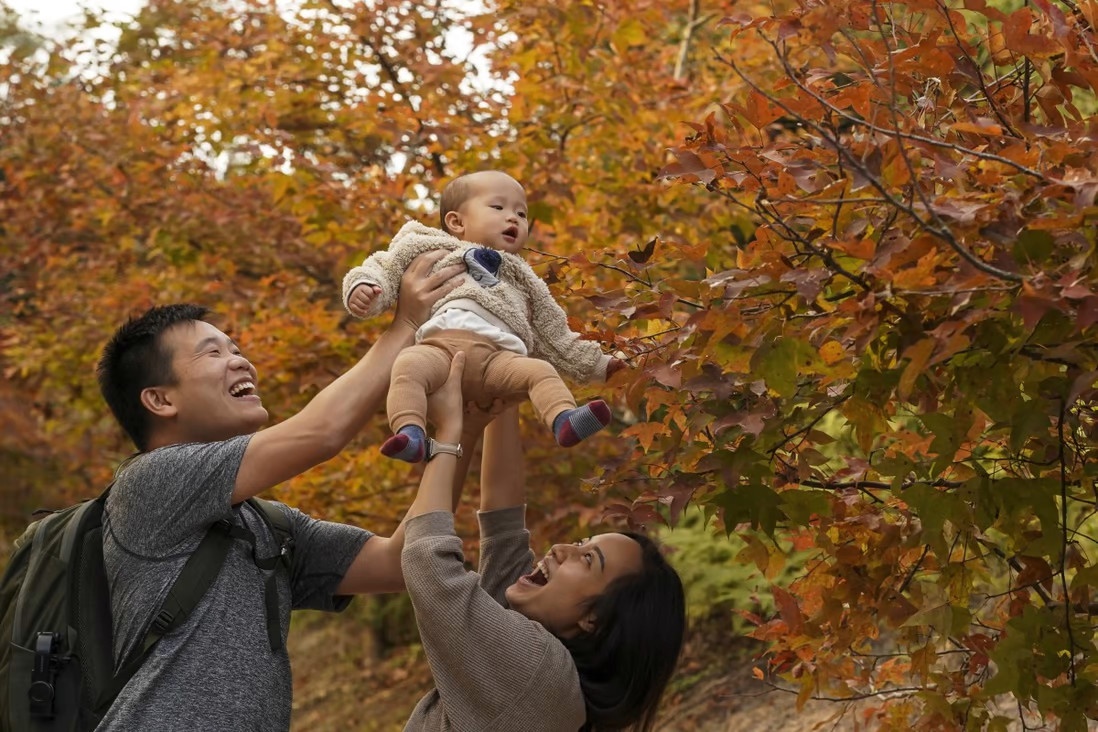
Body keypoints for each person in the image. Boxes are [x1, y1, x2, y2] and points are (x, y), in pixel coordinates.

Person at [92, 250, 464, 731]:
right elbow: (321, 433)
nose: (241, 362)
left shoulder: (266, 527)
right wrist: (407, 323)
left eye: (237, 348)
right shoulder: (147, 485)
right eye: (214, 353)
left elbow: (402, 561)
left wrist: (457, 429)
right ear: (160, 399)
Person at [399, 352, 686, 731]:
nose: (563, 549)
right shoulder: (551, 676)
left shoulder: (536, 675)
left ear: (593, 619)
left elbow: (429, 564)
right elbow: (504, 528)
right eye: (582, 542)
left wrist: (449, 431)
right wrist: (502, 386)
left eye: (586, 559)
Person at [341, 170, 625, 463]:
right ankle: (410, 432)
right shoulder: (427, 246)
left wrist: (605, 366)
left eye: (521, 213)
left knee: (540, 371)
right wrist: (364, 287)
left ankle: (563, 418)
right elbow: (383, 266)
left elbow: (557, 335)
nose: (513, 218)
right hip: (438, 350)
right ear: (457, 221)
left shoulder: (525, 279)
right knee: (408, 366)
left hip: (497, 361)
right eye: (498, 207)